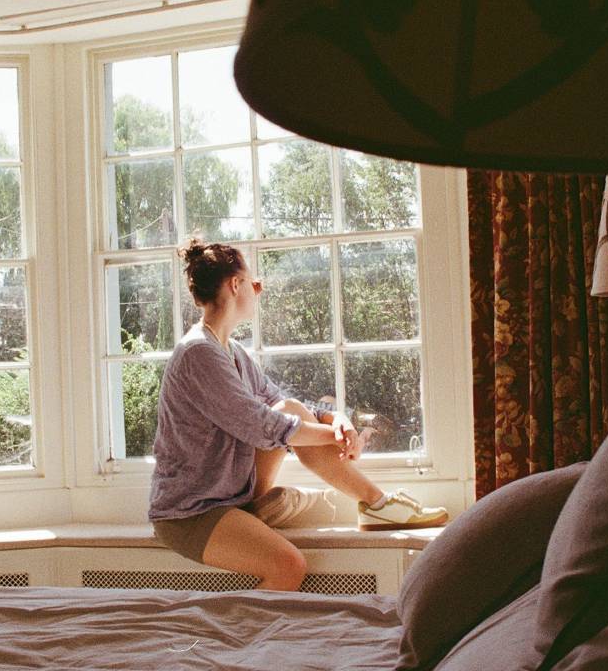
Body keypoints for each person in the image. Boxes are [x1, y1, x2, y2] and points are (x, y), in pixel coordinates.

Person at [148, 238, 448, 591]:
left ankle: (377, 504)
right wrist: (334, 436)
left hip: (229, 497)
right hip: (191, 511)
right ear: (235, 285)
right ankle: (233, 642)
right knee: (289, 565)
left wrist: (335, 418)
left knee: (289, 409)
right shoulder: (198, 353)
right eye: (254, 283)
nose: (258, 292)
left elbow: (280, 402)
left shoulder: (233, 352)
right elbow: (261, 426)